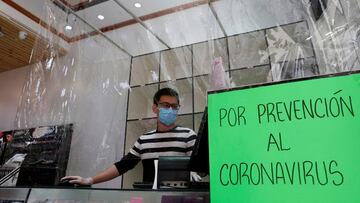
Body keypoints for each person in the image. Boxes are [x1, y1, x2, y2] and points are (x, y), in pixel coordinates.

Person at [61, 87, 201, 186]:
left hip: (180, 199)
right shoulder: (144, 140)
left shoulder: (188, 135)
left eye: (174, 106)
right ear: (154, 108)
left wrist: (194, 172)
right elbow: (122, 166)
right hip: (151, 199)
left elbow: (201, 168)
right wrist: (90, 180)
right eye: (165, 105)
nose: (170, 110)